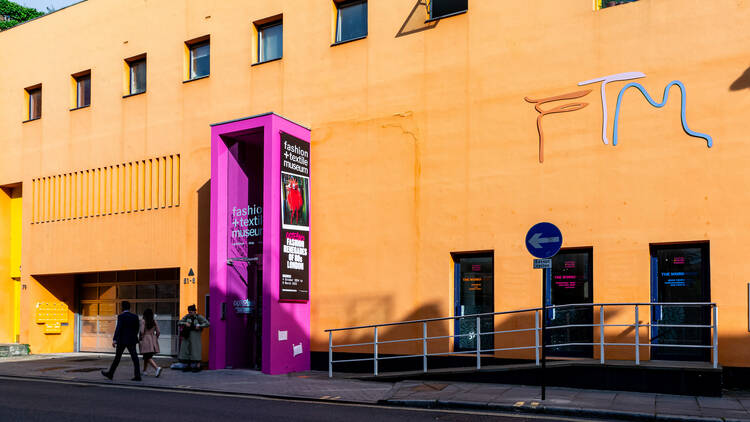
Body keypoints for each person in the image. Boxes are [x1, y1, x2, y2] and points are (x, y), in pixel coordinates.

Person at [101, 300, 141, 381]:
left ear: (122, 307)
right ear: (129, 307)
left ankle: (110, 374)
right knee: (135, 358)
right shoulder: (135, 316)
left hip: (122, 340)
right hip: (131, 340)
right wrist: (133, 336)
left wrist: (115, 339)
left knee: (117, 358)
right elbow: (137, 328)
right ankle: (138, 376)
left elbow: (118, 328)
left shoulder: (121, 316)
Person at [178, 304, 209, 372]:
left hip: (195, 336)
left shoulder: (199, 317)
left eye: (191, 312)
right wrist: (185, 323)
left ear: (195, 311)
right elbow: (179, 322)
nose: (190, 313)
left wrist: (200, 326)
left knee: (196, 350)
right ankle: (188, 366)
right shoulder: (187, 316)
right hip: (187, 335)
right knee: (187, 350)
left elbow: (207, 323)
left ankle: (198, 366)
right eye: (189, 311)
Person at [139, 308, 162, 377]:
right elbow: (158, 332)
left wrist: (141, 338)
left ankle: (157, 368)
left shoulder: (143, 321)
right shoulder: (154, 321)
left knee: (147, 356)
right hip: (152, 339)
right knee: (147, 356)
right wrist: (155, 338)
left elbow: (142, 332)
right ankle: (144, 371)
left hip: (146, 339)